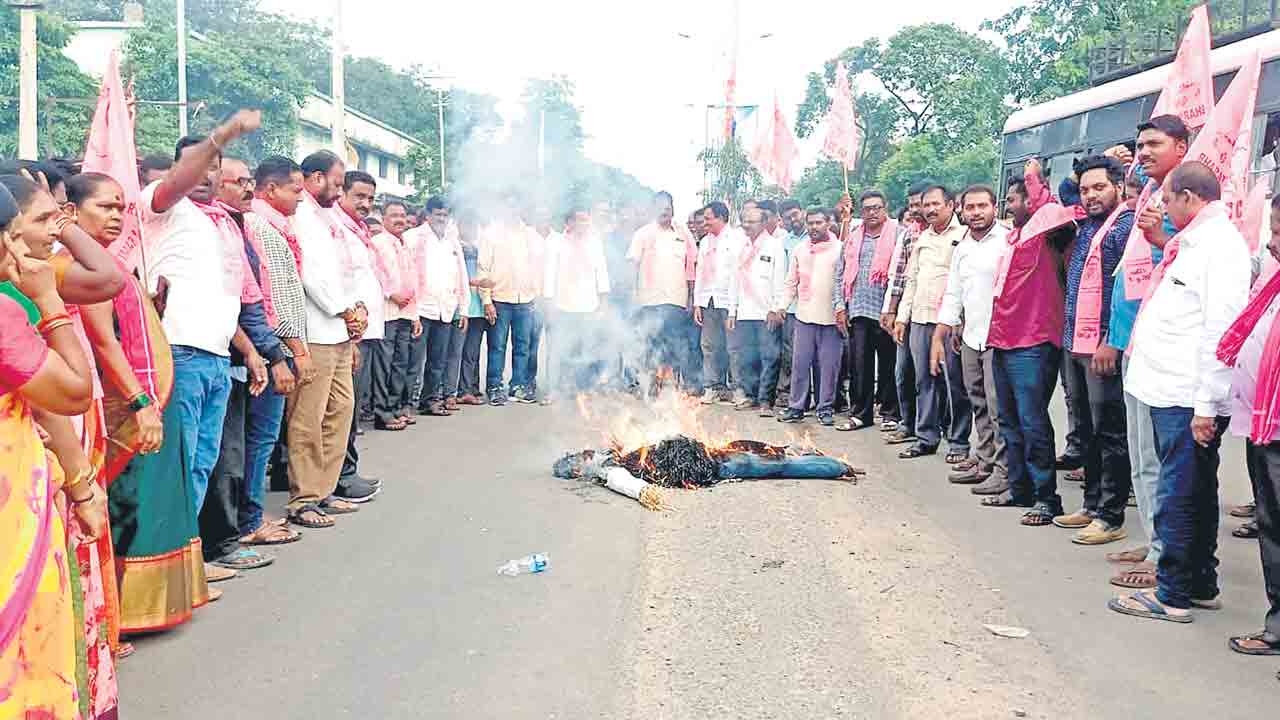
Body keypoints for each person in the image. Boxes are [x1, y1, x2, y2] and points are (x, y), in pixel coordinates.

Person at [1108, 161, 1250, 623]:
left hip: (1187, 396)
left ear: (1189, 197)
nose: (1162, 208)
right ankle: (1200, 583)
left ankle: (1171, 594)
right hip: (1171, 390)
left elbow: (1220, 331)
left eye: (1167, 200)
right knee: (1194, 490)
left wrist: (1207, 405)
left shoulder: (1219, 247)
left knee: (1178, 493)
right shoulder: (1194, 242)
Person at [0, 193, 108, 719]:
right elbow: (69, 396)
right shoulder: (7, 310)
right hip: (11, 513)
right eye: (34, 225)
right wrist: (47, 303)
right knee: (25, 642)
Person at [140, 114, 262, 573]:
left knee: (200, 466)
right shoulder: (160, 205)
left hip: (213, 356)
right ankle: (172, 567)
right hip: (180, 353)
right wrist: (223, 135)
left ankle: (187, 561)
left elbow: (221, 299)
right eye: (203, 165)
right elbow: (178, 182)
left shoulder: (214, 224)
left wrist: (249, 350)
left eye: (217, 167)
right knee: (182, 464)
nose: (210, 175)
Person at [1103, 115, 1184, 589]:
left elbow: (1183, 260)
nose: (1143, 151)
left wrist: (1162, 239)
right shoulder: (1150, 198)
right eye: (1140, 144)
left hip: (1161, 349)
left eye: (1154, 143)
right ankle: (1154, 541)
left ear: (1180, 145)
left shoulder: (1179, 202)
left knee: (1159, 455)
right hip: (1134, 340)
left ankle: (1167, 555)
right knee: (1141, 454)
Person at [979, 162, 1078, 527]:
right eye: (1007, 200)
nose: (1009, 206)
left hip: (1034, 340)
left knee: (1032, 420)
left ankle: (1046, 498)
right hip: (1003, 338)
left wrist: (1036, 183)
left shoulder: (1050, 234)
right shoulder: (1014, 239)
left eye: (1016, 199)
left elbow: (1055, 211)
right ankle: (1018, 487)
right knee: (1008, 419)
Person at [1052, 155, 1134, 545]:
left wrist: (1109, 340)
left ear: (1118, 186)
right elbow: (1063, 192)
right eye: (1086, 189)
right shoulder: (1086, 226)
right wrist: (1076, 176)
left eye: (1099, 187)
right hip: (1074, 341)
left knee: (1109, 431)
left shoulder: (1126, 228)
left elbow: (1125, 294)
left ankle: (1111, 515)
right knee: (1084, 428)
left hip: (1102, 346)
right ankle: (1090, 503)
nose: (1089, 195)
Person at [286, 150, 369, 528]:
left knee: (340, 412)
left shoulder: (329, 217)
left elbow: (344, 272)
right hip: (315, 331)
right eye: (337, 184)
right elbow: (310, 276)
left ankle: (325, 489)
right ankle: (303, 498)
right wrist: (344, 310)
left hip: (340, 331)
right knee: (309, 417)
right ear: (315, 178)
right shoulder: (300, 216)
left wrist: (357, 309)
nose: (340, 192)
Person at [1220, 196, 1280, 655]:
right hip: (1265, 423)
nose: (1273, 243)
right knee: (1270, 521)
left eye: (1279, 233)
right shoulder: (1273, 279)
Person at [240, 157, 307, 547]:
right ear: (272, 190)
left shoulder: (276, 226)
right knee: (258, 439)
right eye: (295, 190)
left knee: (260, 439)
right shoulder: (261, 226)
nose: (301, 198)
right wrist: (289, 348)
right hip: (269, 345)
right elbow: (272, 297)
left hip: (271, 344)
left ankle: (250, 516)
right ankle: (249, 520)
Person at [931, 185, 1011, 494]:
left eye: (982, 206)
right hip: (970, 335)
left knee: (997, 406)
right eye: (971, 207)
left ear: (994, 207)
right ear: (962, 210)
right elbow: (955, 292)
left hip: (999, 337)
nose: (976, 213)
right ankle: (985, 460)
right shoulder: (963, 247)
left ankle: (1004, 471)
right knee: (976, 400)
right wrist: (947, 328)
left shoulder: (1006, 241)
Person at [893, 184, 970, 462]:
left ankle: (959, 441)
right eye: (926, 205)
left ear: (951, 205)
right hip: (920, 319)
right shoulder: (921, 238)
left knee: (955, 383)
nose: (930, 210)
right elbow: (910, 280)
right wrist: (902, 317)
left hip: (949, 323)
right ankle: (926, 437)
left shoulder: (964, 236)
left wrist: (961, 321)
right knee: (923, 381)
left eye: (936, 204)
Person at [330, 171, 384, 500]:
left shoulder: (357, 229)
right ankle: (343, 475)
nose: (365, 204)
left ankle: (345, 471)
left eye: (370, 199)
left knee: (348, 405)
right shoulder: (336, 227)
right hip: (345, 329)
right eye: (359, 196)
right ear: (342, 194)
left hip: (360, 329)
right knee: (343, 409)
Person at [834, 190, 898, 432]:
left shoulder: (898, 234)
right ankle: (861, 414)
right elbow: (840, 274)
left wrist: (894, 310)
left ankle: (890, 413)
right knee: (860, 366)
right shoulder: (852, 237)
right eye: (868, 208)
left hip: (887, 312)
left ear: (885, 208)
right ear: (862, 212)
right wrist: (840, 306)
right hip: (858, 310)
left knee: (889, 365)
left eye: (877, 208)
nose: (872, 212)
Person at [776, 207, 845, 425]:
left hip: (831, 319)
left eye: (818, 223)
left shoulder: (840, 249)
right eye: (811, 223)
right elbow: (790, 282)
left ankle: (825, 408)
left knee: (829, 366)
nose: (814, 227)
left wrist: (843, 311)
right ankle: (796, 407)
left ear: (828, 224)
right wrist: (781, 306)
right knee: (800, 363)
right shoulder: (800, 249)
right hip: (804, 315)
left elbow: (844, 284)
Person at [628, 191, 696, 395]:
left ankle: (669, 387)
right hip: (648, 300)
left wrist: (691, 298)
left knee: (674, 344)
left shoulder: (684, 234)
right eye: (661, 206)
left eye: (668, 207)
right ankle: (649, 385)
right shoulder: (642, 234)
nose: (665, 210)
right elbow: (633, 266)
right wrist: (633, 293)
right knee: (649, 343)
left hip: (676, 300)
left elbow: (691, 267)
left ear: (673, 209)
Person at [478, 195, 540, 405]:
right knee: (497, 346)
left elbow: (536, 266)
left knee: (523, 346)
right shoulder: (491, 234)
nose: (513, 210)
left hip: (526, 300)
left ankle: (518, 386)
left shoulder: (530, 234)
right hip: (500, 299)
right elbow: (483, 269)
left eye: (517, 206)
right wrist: (487, 301)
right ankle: (495, 387)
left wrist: (536, 296)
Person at [412, 195, 470, 416]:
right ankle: (405, 404)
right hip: (420, 309)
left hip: (446, 309)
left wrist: (463, 309)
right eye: (438, 214)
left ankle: (430, 401)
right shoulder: (414, 238)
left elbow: (461, 276)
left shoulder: (452, 242)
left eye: (445, 215)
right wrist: (412, 312)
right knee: (413, 362)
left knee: (437, 361)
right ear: (428, 215)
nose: (442, 219)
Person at [543, 207, 610, 396]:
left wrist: (603, 304)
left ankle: (581, 391)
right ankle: (553, 390)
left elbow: (602, 273)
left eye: (587, 220)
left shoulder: (595, 243)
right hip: (561, 306)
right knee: (558, 350)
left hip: (588, 306)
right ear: (569, 222)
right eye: (580, 220)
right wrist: (549, 305)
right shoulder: (555, 242)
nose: (584, 224)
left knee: (585, 350)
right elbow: (549, 274)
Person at [881, 185, 927, 445]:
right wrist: (890, 310)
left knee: (929, 378)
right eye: (911, 204)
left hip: (935, 316)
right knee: (903, 372)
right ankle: (908, 423)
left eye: (920, 203)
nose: (916, 209)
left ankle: (932, 430)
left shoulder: (953, 235)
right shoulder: (909, 236)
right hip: (907, 314)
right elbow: (898, 277)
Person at [368, 200, 420, 429]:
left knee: (401, 363)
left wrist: (415, 315)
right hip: (387, 312)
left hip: (406, 314)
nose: (399, 219)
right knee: (384, 364)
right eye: (394, 216)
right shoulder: (377, 243)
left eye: (402, 215)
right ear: (384, 219)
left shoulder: (405, 243)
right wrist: (392, 293)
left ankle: (396, 406)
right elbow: (375, 273)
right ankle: (382, 413)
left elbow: (413, 280)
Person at [729, 205, 786, 412]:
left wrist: (776, 308)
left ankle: (765, 401)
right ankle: (750, 396)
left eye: (751, 222)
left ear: (763, 223)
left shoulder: (774, 246)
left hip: (766, 313)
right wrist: (732, 311)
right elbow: (733, 281)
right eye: (744, 221)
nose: (746, 225)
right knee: (747, 357)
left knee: (770, 356)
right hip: (744, 312)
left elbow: (780, 280)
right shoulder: (740, 246)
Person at [693, 201, 744, 404]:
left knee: (734, 346)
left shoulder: (737, 239)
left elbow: (738, 274)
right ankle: (712, 387)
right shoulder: (705, 242)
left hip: (729, 299)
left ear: (722, 217)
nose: (704, 222)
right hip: (708, 299)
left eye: (708, 218)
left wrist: (733, 308)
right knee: (709, 345)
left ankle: (738, 389)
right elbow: (699, 273)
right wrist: (698, 302)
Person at [456, 210, 492, 405]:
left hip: (478, 307)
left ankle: (472, 387)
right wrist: (474, 281)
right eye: (466, 225)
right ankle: (462, 389)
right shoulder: (455, 248)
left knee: (473, 351)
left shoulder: (480, 249)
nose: (469, 229)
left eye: (472, 226)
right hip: (463, 308)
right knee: (462, 352)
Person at [773, 198, 806, 408]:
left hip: (815, 305)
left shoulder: (816, 236)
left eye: (795, 214)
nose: (793, 219)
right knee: (790, 353)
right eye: (787, 217)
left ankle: (826, 398)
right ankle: (788, 395)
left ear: (802, 212)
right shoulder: (784, 243)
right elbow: (783, 277)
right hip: (792, 307)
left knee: (816, 355)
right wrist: (780, 305)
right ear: (782, 220)